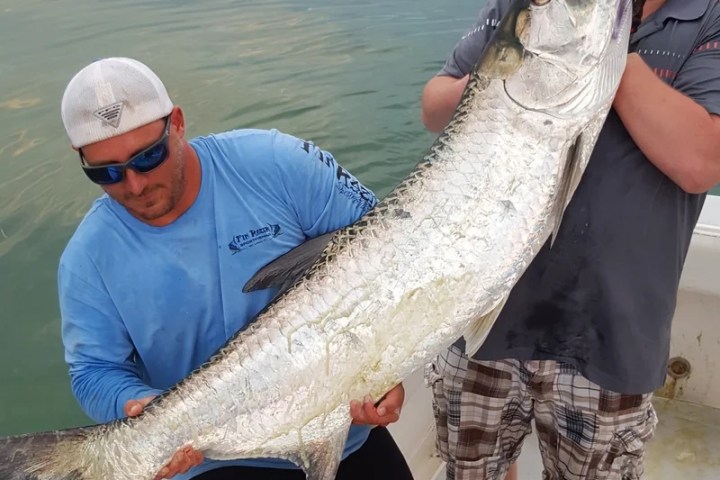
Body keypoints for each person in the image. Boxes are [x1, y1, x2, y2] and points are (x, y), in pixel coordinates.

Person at [58, 57, 414, 480]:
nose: (134, 185)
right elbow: (93, 371)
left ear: (177, 122)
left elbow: (387, 249)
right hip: (214, 460)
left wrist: (385, 361)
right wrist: (136, 402)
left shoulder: (277, 163)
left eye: (149, 157)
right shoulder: (87, 258)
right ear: (80, 159)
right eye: (107, 172)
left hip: (341, 432)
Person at [422, 0, 720, 479]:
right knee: (472, 470)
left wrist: (598, 46)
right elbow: (434, 107)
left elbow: (700, 161)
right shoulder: (533, 8)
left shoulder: (707, 17)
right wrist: (519, 63)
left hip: (608, 333)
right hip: (482, 306)